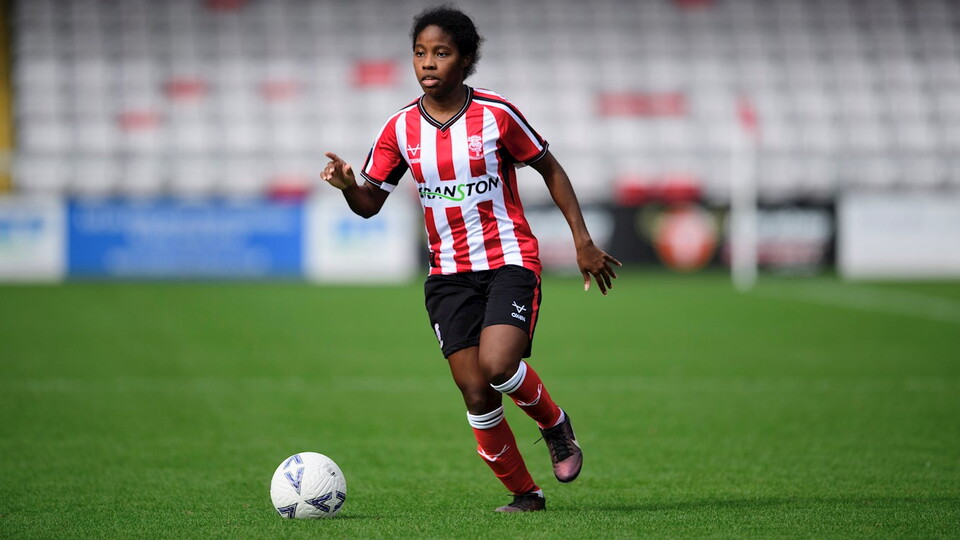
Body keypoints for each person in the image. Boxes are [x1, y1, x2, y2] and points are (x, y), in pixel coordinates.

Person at [320, 5, 621, 513]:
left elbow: (550, 169)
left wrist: (582, 240)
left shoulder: (496, 114)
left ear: (465, 59)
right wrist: (350, 186)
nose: (428, 63)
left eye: (441, 53)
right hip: (448, 275)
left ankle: (554, 424)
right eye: (420, 53)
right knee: (477, 393)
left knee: (499, 364)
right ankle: (526, 494)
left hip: (509, 260)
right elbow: (370, 204)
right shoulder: (399, 128)